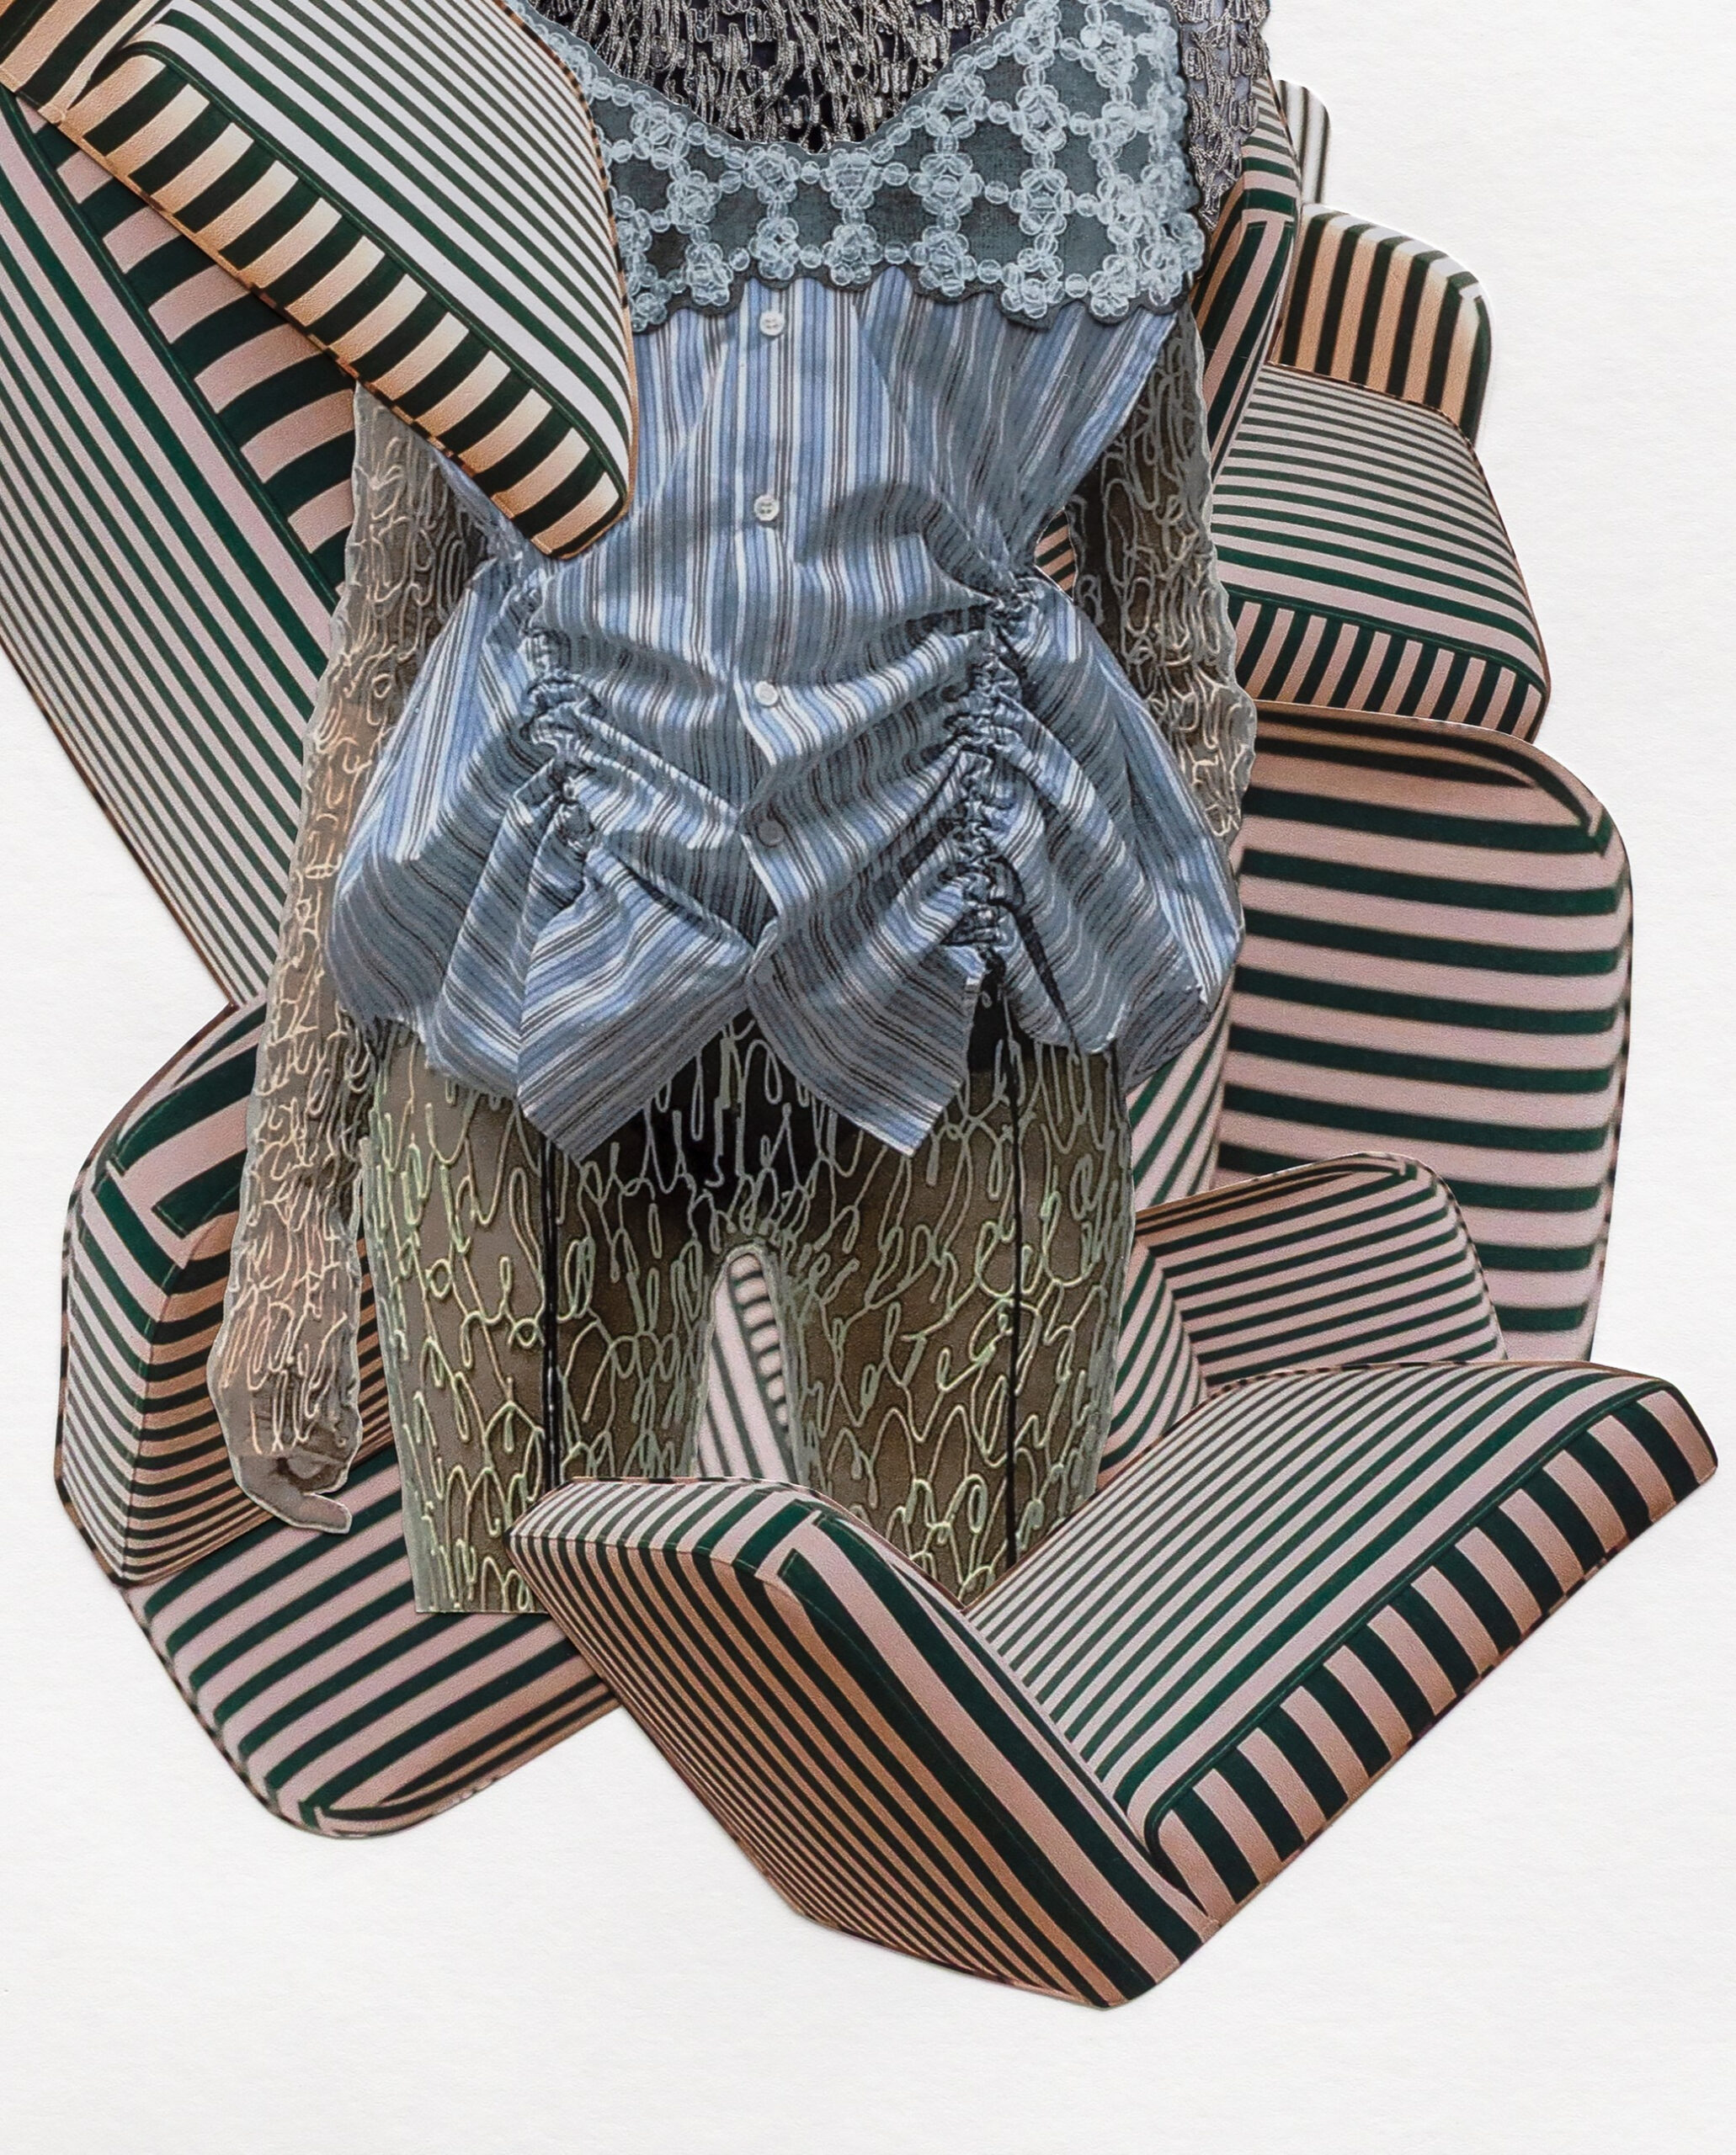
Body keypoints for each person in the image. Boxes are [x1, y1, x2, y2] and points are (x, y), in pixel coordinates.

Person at [209, 0, 1267, 1610]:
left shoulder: (1122, 71)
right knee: (537, 1683)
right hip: (525, 1016)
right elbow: (386, 648)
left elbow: (1178, 655)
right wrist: (288, 1211)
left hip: (965, 1035)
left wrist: (1130, 1037)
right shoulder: (474, 80)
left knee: (944, 1702)